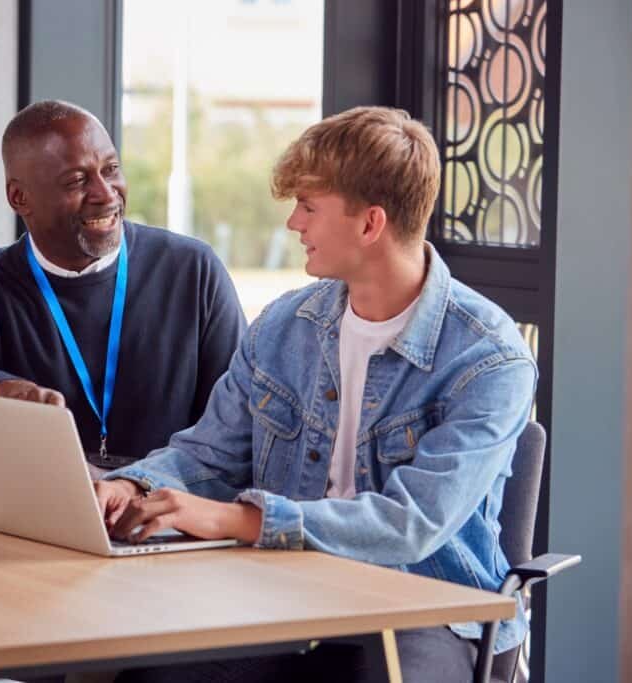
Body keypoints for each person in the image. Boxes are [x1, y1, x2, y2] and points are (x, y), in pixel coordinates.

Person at [94, 106, 537, 682]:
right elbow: (209, 454)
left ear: (370, 225)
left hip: (430, 606)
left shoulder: (488, 357)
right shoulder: (284, 326)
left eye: (308, 206)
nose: (293, 224)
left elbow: (412, 523)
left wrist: (240, 521)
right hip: (288, 591)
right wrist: (133, 485)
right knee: (154, 678)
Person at [0, 100, 246, 473]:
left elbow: (236, 416)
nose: (106, 194)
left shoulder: (193, 270)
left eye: (110, 170)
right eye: (77, 181)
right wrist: (7, 391)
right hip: (48, 500)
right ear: (19, 198)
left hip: (171, 496)